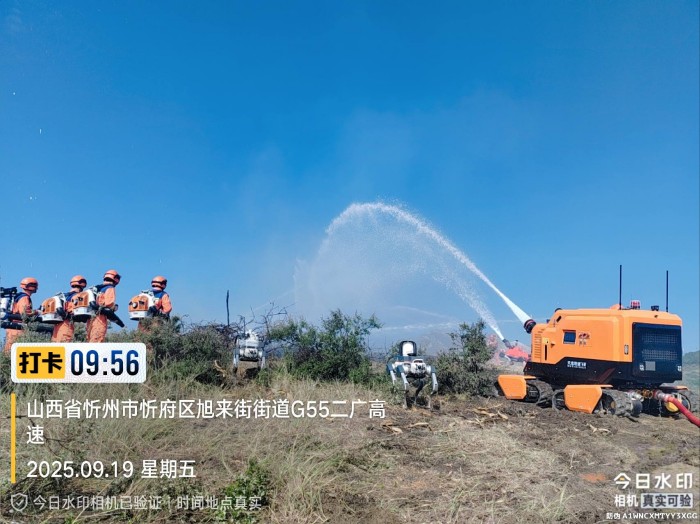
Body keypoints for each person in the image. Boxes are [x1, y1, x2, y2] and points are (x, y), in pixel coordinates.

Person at [3, 277, 39, 352]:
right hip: (18, 327)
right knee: (15, 350)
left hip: (12, 326)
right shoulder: (24, 298)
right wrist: (37, 312)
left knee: (9, 350)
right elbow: (25, 313)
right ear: (31, 286)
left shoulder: (18, 296)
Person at [86, 269, 120, 343]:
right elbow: (109, 304)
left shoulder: (97, 289)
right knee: (97, 341)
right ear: (115, 278)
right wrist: (114, 307)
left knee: (90, 341)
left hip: (90, 318)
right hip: (100, 318)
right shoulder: (110, 288)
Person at [51, 275, 87, 343]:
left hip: (57, 326)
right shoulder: (79, 296)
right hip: (66, 325)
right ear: (82, 284)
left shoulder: (63, 296)